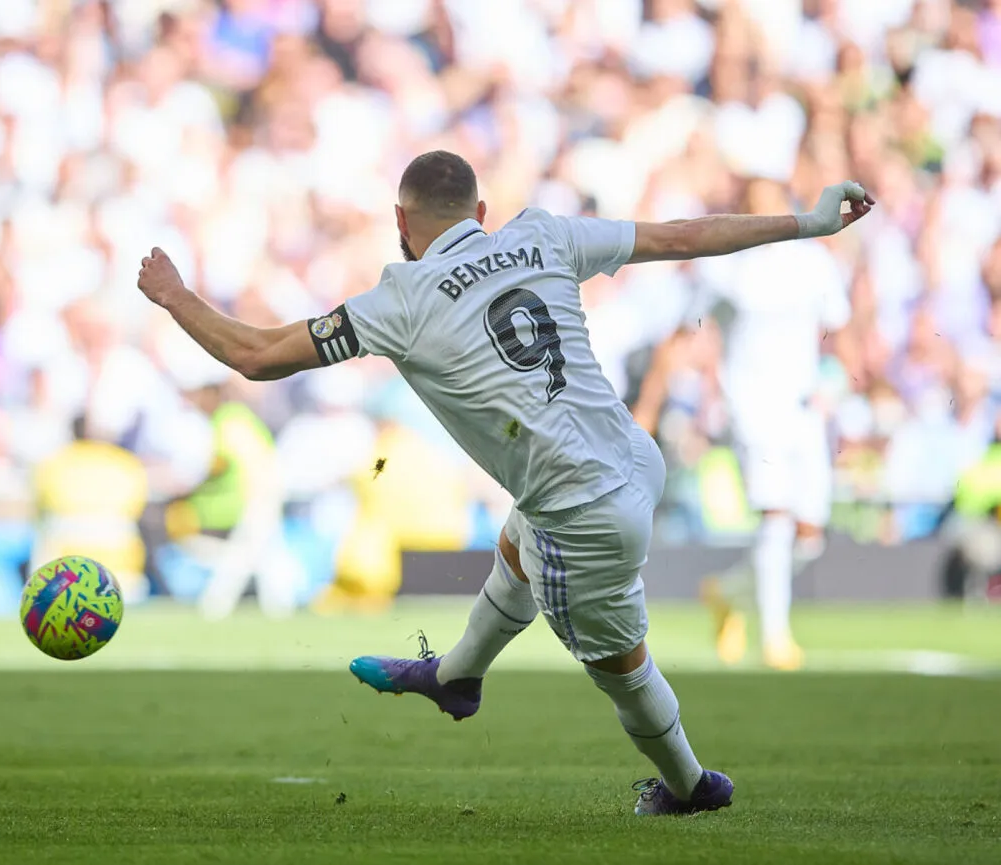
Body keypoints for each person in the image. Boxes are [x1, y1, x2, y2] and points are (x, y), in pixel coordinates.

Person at [136, 150, 873, 815]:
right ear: (481, 213)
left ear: (400, 220)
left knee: (619, 664)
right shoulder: (541, 234)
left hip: (585, 512)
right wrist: (809, 222)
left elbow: (257, 355)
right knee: (522, 535)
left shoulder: (398, 301)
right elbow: (681, 237)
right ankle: (456, 676)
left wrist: (174, 296)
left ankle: (690, 786)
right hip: (635, 459)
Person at [694, 179, 852, 670]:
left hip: (804, 409)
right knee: (776, 519)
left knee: (808, 537)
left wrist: (836, 384)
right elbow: (697, 331)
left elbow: (837, 330)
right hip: (753, 409)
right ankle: (776, 640)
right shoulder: (726, 267)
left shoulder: (813, 262)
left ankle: (728, 592)